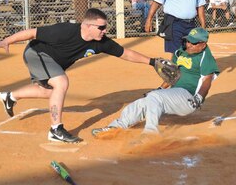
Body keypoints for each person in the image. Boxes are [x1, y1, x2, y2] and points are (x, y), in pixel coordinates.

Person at [0, 8, 164, 143]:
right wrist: (6, 41)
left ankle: (10, 97)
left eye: (105, 27)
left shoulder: (100, 42)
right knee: (61, 83)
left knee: (51, 92)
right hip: (37, 53)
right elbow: (32, 33)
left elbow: (125, 53)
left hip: (52, 62)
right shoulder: (65, 31)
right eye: (101, 27)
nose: (104, 31)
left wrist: (152, 62)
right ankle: (56, 130)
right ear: (87, 26)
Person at [91, 27, 219, 137]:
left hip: (189, 97)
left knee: (155, 97)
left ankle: (150, 134)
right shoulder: (181, 51)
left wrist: (199, 97)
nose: (189, 45)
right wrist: (161, 89)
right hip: (174, 94)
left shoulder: (205, 56)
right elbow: (172, 74)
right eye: (188, 41)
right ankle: (116, 127)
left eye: (194, 43)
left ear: (203, 44)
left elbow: (207, 79)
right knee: (141, 103)